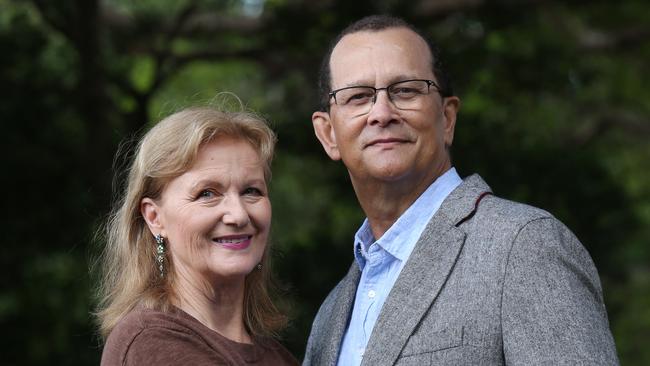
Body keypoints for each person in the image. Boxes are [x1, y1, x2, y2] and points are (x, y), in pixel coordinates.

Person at [304, 15, 619, 366]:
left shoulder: (524, 246)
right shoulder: (331, 315)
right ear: (328, 134)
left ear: (447, 118)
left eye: (405, 90)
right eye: (358, 96)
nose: (381, 112)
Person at [95, 106, 299, 365]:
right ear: (155, 218)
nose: (238, 215)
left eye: (251, 191)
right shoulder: (150, 343)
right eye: (207, 193)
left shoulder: (278, 357)